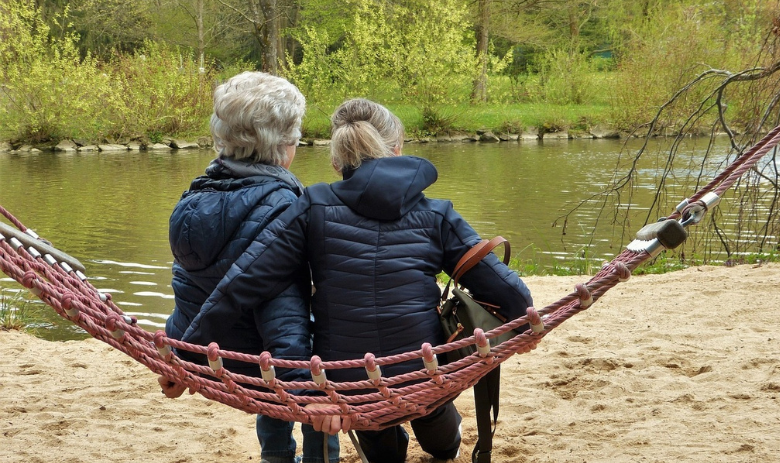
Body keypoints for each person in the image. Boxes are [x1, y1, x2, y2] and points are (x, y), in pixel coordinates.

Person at [182, 98, 533, 463]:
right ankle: (442, 439)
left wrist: (183, 354)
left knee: (374, 433)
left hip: (349, 383)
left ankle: (388, 443)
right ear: (397, 149)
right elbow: (507, 290)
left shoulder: (312, 205)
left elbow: (244, 282)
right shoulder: (437, 213)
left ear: (337, 162)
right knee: (439, 432)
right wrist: (524, 322)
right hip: (424, 373)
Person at [158, 71, 339, 463]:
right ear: (284, 147)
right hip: (265, 360)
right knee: (321, 359)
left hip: (210, 349)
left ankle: (275, 454)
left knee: (272, 376)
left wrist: (179, 354)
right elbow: (282, 310)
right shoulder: (286, 207)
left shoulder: (193, 198)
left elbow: (187, 286)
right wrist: (305, 394)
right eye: (296, 137)